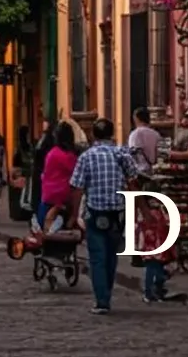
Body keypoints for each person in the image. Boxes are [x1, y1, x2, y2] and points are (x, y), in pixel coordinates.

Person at [68, 118, 140, 315]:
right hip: (117, 213)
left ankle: (102, 300)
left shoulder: (86, 157)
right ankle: (105, 292)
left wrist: (74, 215)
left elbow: (77, 188)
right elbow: (134, 182)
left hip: (95, 212)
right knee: (111, 255)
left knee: (97, 258)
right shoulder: (121, 154)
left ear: (93, 135)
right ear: (111, 134)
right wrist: (142, 209)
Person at [38, 121, 78, 233]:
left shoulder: (52, 154)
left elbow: (45, 174)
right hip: (65, 197)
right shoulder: (70, 156)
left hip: (49, 196)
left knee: (41, 228)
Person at [136, 193, 175, 302]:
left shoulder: (145, 214)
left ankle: (151, 293)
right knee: (156, 269)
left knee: (152, 270)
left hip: (151, 246)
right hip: (157, 245)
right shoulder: (160, 213)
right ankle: (155, 292)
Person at [128, 107, 160, 177]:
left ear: (136, 118)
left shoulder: (135, 134)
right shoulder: (156, 134)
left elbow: (132, 154)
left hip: (139, 172)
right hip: (152, 171)